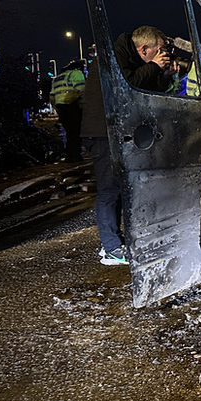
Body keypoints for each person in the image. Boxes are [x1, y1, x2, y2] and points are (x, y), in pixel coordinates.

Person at [80, 26, 179, 266]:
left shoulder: (132, 58)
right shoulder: (113, 56)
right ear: (144, 48)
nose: (162, 54)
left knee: (122, 188)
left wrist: (163, 76)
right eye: (159, 50)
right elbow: (125, 85)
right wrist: (154, 66)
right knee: (108, 190)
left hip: (117, 131)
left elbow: (143, 91)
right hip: (102, 132)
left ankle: (116, 241)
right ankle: (110, 249)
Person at [49, 60, 86, 161]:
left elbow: (52, 97)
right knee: (76, 132)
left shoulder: (58, 78)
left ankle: (70, 155)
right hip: (73, 105)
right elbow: (82, 91)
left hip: (61, 106)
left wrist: (58, 109)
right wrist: (85, 107)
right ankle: (75, 156)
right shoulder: (77, 73)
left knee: (69, 132)